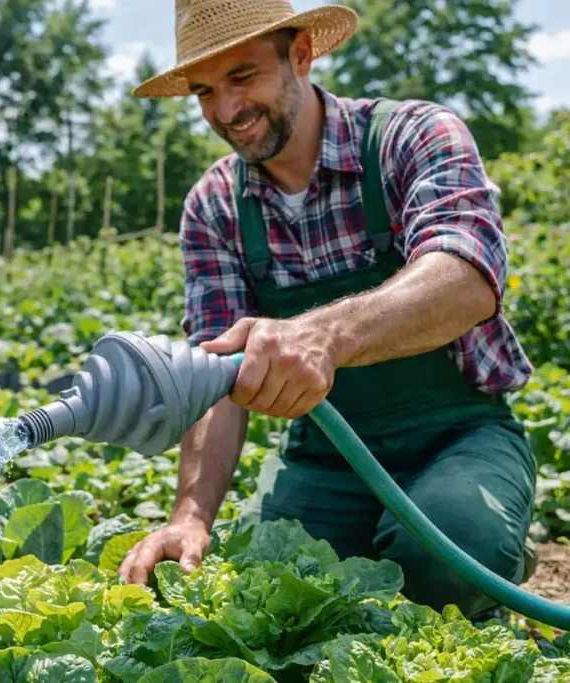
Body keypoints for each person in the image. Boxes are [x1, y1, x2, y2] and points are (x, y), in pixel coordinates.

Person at [116, 0, 537, 622]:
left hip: (456, 436)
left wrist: (324, 334)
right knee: (266, 594)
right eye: (204, 91)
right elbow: (215, 376)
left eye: (242, 76)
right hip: (325, 457)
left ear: (303, 54)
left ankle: (489, 550)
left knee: (446, 559)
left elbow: (466, 278)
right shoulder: (213, 205)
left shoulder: (411, 135)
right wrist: (190, 516)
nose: (226, 111)